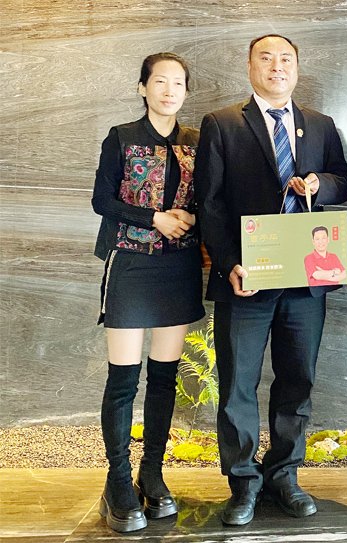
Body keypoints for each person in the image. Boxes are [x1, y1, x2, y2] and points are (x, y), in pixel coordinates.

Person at [195, 34, 347, 526]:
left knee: (297, 380)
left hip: (305, 279)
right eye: (266, 58)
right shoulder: (222, 123)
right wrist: (228, 263)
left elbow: (343, 182)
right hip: (247, 278)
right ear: (250, 67)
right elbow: (209, 202)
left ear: (297, 69)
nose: (276, 66)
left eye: (285, 59)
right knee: (237, 384)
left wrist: (319, 185)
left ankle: (284, 474)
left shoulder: (320, 125)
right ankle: (243, 482)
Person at [91, 52, 204, 533]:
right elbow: (102, 199)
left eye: (178, 83)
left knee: (163, 377)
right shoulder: (121, 137)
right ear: (143, 87)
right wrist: (153, 218)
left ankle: (151, 473)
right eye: (160, 81)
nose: (169, 90)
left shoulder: (197, 141)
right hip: (131, 263)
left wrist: (192, 217)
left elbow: (210, 197)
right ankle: (118, 480)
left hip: (178, 266)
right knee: (123, 379)